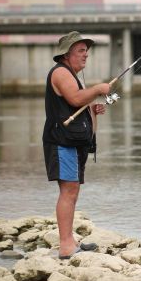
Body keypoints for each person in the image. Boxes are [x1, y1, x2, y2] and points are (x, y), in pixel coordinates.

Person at [42, 31, 110, 259]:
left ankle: (69, 240)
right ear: (66, 54)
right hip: (61, 141)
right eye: (80, 51)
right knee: (68, 191)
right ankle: (66, 245)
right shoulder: (61, 72)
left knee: (72, 191)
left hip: (71, 141)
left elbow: (78, 105)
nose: (86, 55)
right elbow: (75, 99)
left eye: (86, 51)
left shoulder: (73, 75)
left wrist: (94, 109)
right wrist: (98, 89)